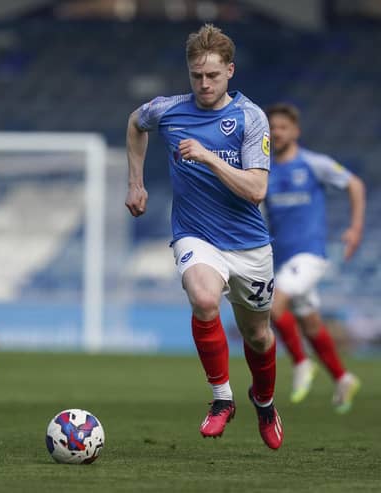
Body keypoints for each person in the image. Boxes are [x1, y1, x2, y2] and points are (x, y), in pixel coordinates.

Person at [125, 24, 282, 449]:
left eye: (212, 75)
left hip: (249, 245)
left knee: (258, 336)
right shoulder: (169, 110)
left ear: (230, 71)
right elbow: (136, 122)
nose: (204, 83)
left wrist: (209, 156)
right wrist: (136, 182)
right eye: (196, 75)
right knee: (205, 298)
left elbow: (256, 190)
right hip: (196, 235)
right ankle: (222, 398)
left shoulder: (250, 117)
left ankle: (264, 401)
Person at [265, 103, 365, 413]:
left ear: (295, 131)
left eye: (283, 127)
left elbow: (355, 184)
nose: (277, 132)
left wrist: (355, 229)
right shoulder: (263, 169)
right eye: (272, 127)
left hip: (309, 255)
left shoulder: (313, 164)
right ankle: (343, 377)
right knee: (309, 323)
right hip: (282, 259)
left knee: (272, 304)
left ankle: (301, 363)